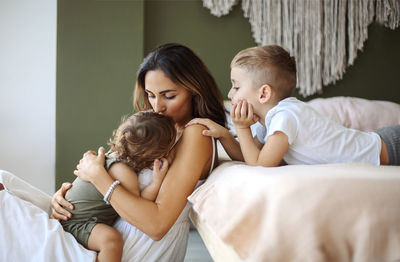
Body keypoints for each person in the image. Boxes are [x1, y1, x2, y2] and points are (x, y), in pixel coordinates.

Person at [51, 43, 226, 261]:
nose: (157, 106)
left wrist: (98, 178)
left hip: (142, 251)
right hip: (104, 242)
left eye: (169, 96)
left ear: (194, 90)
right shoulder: (158, 130)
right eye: (151, 95)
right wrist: (69, 199)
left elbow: (157, 225)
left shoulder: (196, 133)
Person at [187, 45, 400, 167]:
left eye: (236, 87)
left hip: (389, 148)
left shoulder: (285, 116)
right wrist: (224, 134)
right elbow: (248, 155)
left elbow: (261, 165)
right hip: (383, 143)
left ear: (263, 93)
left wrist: (241, 128)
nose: (230, 94)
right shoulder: (266, 121)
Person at [61, 111, 176, 262]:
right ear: (156, 156)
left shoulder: (112, 156)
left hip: (71, 216)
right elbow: (136, 206)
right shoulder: (124, 173)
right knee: (111, 240)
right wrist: (156, 182)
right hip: (76, 223)